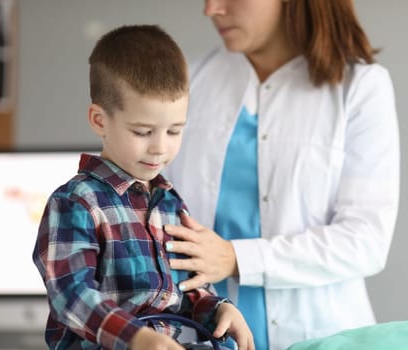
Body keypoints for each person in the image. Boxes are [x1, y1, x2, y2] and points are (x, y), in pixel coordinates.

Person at [163, 1, 400, 349]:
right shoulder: (188, 82)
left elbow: (365, 240)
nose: (212, 9)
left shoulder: (361, 87)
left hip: (325, 336)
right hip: (200, 335)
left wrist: (236, 258)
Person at [32, 25, 253, 350]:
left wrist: (220, 309)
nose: (160, 148)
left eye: (174, 131)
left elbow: (189, 289)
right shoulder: (76, 203)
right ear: (99, 120)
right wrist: (135, 337)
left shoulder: (170, 204)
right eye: (142, 132)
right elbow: (71, 296)